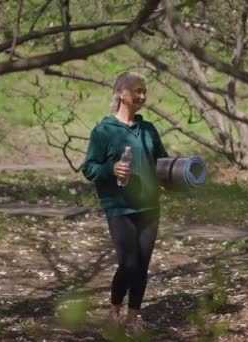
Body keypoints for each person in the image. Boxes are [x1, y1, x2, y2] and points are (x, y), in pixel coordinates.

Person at [81, 72, 168, 334]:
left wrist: (171, 178)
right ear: (121, 93)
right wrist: (111, 168)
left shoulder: (148, 129)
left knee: (142, 265)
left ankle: (133, 318)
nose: (142, 96)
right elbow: (89, 168)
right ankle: (113, 312)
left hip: (150, 206)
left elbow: (162, 161)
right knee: (128, 264)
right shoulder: (103, 131)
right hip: (119, 207)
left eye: (144, 91)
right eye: (137, 91)